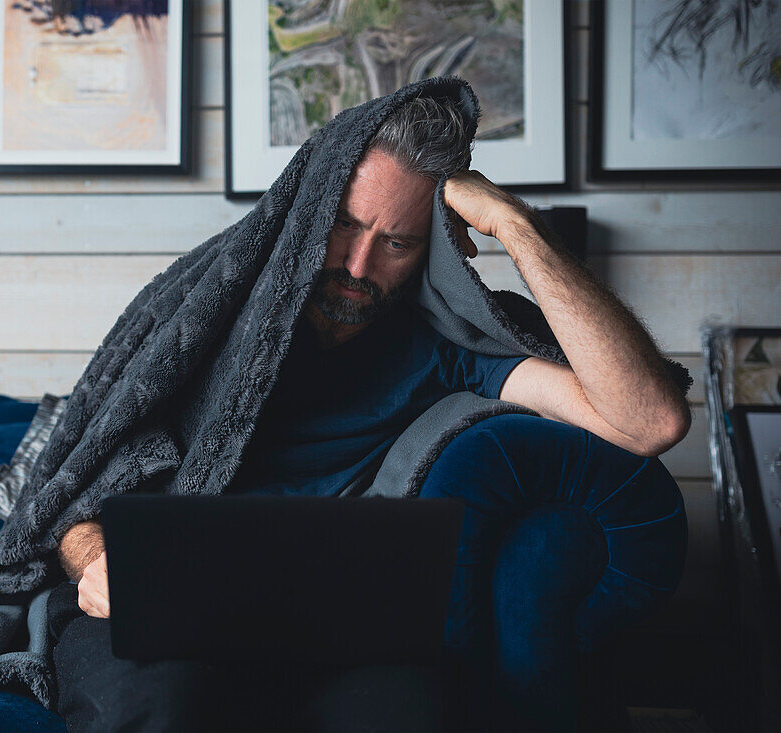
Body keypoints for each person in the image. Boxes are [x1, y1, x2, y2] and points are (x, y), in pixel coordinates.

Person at [44, 97, 692, 731]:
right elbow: (72, 495)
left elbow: (649, 421)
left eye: (397, 242)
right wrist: (101, 559)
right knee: (165, 704)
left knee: (412, 711)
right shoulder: (213, 317)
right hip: (159, 614)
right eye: (346, 226)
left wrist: (515, 225)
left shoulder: (443, 348)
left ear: (432, 250)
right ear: (307, 212)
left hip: (322, 633)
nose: (358, 266)